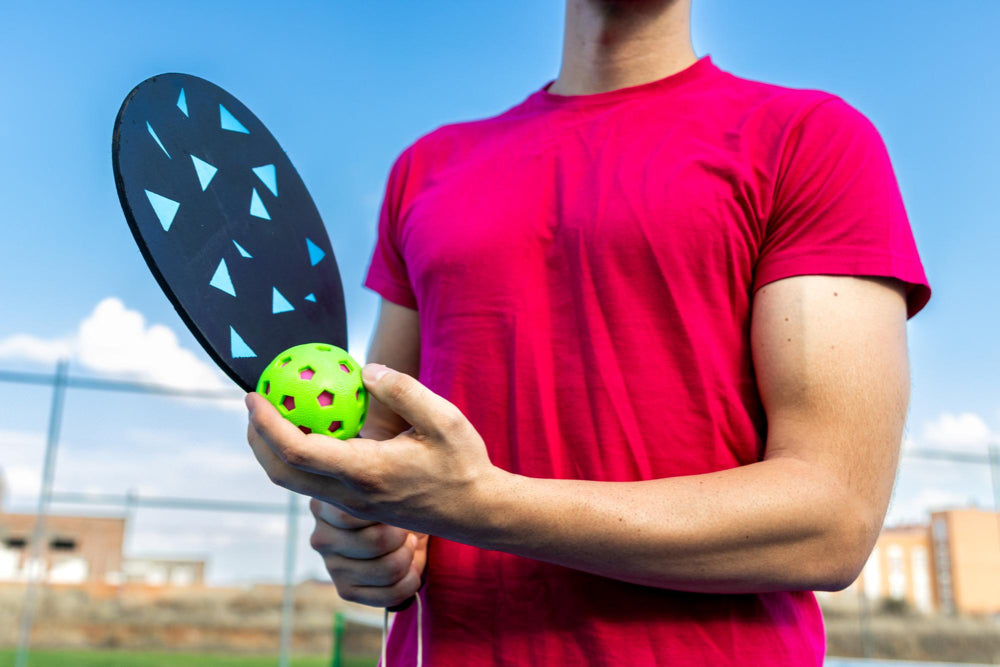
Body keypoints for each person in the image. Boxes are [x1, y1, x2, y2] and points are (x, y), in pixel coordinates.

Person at [245, 0, 931, 664]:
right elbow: (386, 445)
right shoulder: (424, 168)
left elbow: (830, 521)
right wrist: (363, 531)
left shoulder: (811, 139)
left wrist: (482, 506)